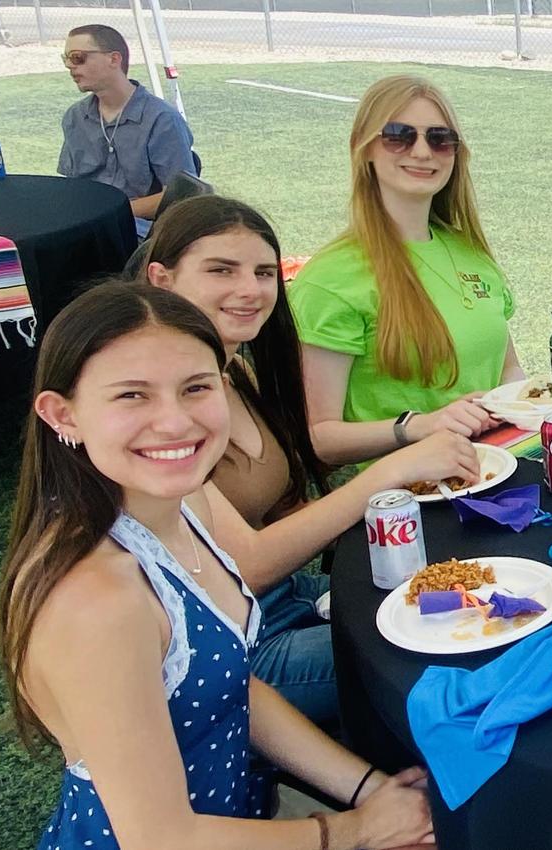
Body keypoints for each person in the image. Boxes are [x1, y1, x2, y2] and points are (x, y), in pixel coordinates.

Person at [0, 282, 436, 850]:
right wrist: (352, 830)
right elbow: (159, 838)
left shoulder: (176, 505)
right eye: (133, 396)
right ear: (64, 415)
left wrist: (369, 789)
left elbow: (232, 686)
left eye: (195, 388)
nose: (175, 422)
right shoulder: (98, 602)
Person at [140, 194, 482, 725]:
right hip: (236, 649)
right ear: (161, 280)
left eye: (262, 272)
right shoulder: (160, 416)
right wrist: (392, 471)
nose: (249, 290)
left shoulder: (236, 373)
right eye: (221, 270)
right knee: (461, 648)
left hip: (290, 596)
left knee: (475, 587)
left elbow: (284, 513)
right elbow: (244, 569)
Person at [290, 74, 523, 467]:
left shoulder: (471, 252)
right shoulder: (331, 278)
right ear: (364, 149)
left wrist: (524, 406)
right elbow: (317, 437)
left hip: (493, 471)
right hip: (397, 507)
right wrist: (417, 426)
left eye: (439, 138)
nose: (421, 151)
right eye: (399, 135)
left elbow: (508, 368)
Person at [57, 24, 197, 239]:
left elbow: (181, 195)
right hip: (87, 228)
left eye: (78, 57)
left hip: (140, 234)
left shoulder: (161, 119)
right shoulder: (75, 117)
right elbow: (70, 186)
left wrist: (111, 213)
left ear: (114, 59)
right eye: (65, 58)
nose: (69, 66)